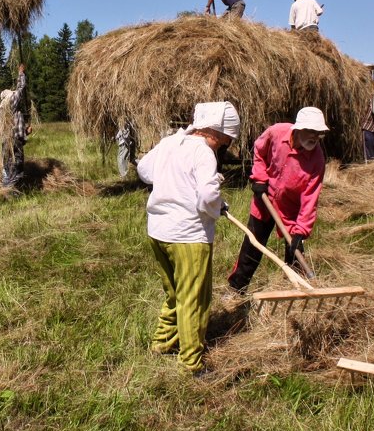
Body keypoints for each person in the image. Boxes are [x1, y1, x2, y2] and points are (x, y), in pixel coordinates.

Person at [137, 101, 239, 375]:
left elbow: (144, 170)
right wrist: (216, 205)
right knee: (194, 299)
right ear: (216, 132)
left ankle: (163, 343)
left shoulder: (171, 142)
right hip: (188, 236)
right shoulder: (204, 152)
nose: (226, 144)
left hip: (158, 231)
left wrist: (174, 180)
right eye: (227, 138)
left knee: (174, 293)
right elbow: (206, 197)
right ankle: (191, 364)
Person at [226, 107, 328, 294]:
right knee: (252, 246)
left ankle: (298, 291)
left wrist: (301, 230)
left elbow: (310, 198)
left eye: (318, 133)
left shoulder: (317, 159)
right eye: (311, 131)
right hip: (264, 200)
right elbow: (259, 150)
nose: (315, 136)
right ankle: (236, 289)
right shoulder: (276, 132)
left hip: (291, 209)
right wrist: (259, 178)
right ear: (298, 129)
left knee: (295, 250)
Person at [0, 63, 29, 192]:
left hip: (6, 139)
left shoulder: (1, 110)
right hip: (13, 139)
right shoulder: (10, 103)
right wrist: (21, 73)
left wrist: (26, 131)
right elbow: (21, 88)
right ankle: (14, 189)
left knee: (7, 162)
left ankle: (6, 186)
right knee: (17, 163)